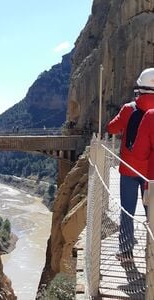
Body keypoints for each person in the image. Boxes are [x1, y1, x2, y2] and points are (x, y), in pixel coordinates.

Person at [107, 68, 154, 262]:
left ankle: (126, 251)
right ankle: (150, 254)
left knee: (128, 210)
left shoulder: (129, 109)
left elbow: (111, 128)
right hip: (151, 175)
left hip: (129, 169)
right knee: (151, 213)